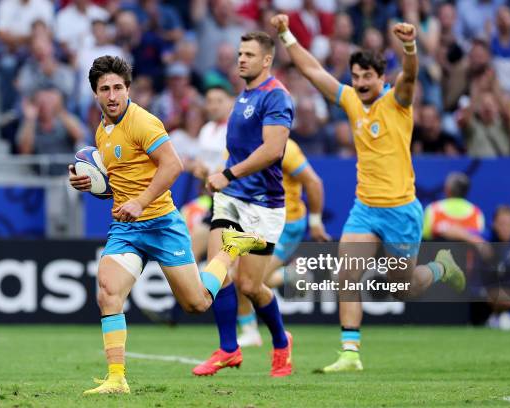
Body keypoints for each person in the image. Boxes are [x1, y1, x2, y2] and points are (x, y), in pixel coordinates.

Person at [270, 14, 466, 373]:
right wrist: (285, 34)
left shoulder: (398, 102)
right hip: (365, 209)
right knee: (346, 273)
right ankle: (350, 353)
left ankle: (441, 267)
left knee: (402, 289)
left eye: (366, 77)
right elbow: (313, 71)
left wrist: (409, 46)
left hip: (401, 211)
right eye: (355, 76)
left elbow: (410, 76)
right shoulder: (349, 100)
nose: (359, 83)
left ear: (381, 79)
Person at [68, 55, 266, 395]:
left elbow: (172, 166)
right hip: (127, 228)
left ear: (128, 89)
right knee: (108, 292)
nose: (112, 95)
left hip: (160, 223)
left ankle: (229, 249)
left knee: (197, 304)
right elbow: (121, 185)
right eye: (105, 89)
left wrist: (141, 202)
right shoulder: (102, 131)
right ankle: (117, 379)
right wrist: (95, 188)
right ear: (95, 94)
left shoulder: (144, 122)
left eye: (118, 87)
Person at [191, 31, 295, 378]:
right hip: (231, 199)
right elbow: (236, 150)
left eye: (249, 54)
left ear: (267, 60)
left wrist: (228, 174)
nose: (241, 59)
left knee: (250, 286)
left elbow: (271, 151)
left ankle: (281, 342)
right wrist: (218, 175)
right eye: (239, 53)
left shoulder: (276, 97)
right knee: (218, 265)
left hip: (263, 206)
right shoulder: (243, 96)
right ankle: (228, 348)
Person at [237, 137, 331, 347]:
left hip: (286, 224)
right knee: (242, 277)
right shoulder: (240, 142)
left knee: (248, 280)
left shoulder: (286, 147)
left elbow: (313, 182)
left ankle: (258, 332)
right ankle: (289, 276)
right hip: (256, 220)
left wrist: (315, 222)